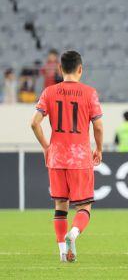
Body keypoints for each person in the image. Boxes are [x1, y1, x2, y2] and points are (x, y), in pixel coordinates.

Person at [30, 50, 103, 263]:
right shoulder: (89, 93)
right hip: (80, 157)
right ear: (80, 69)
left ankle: (63, 251)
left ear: (60, 69)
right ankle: (74, 233)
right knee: (84, 206)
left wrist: (46, 146)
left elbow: (34, 123)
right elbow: (98, 126)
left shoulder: (49, 92)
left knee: (60, 205)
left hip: (57, 157)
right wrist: (99, 148)